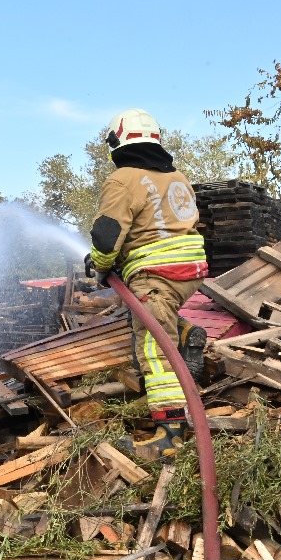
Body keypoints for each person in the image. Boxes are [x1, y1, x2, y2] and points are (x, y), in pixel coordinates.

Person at [83, 108, 209, 458]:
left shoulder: (122, 180)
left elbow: (107, 237)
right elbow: (162, 225)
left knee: (153, 347)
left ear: (116, 143)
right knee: (160, 317)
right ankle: (183, 332)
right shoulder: (178, 177)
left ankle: (170, 435)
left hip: (157, 275)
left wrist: (102, 265)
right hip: (190, 271)